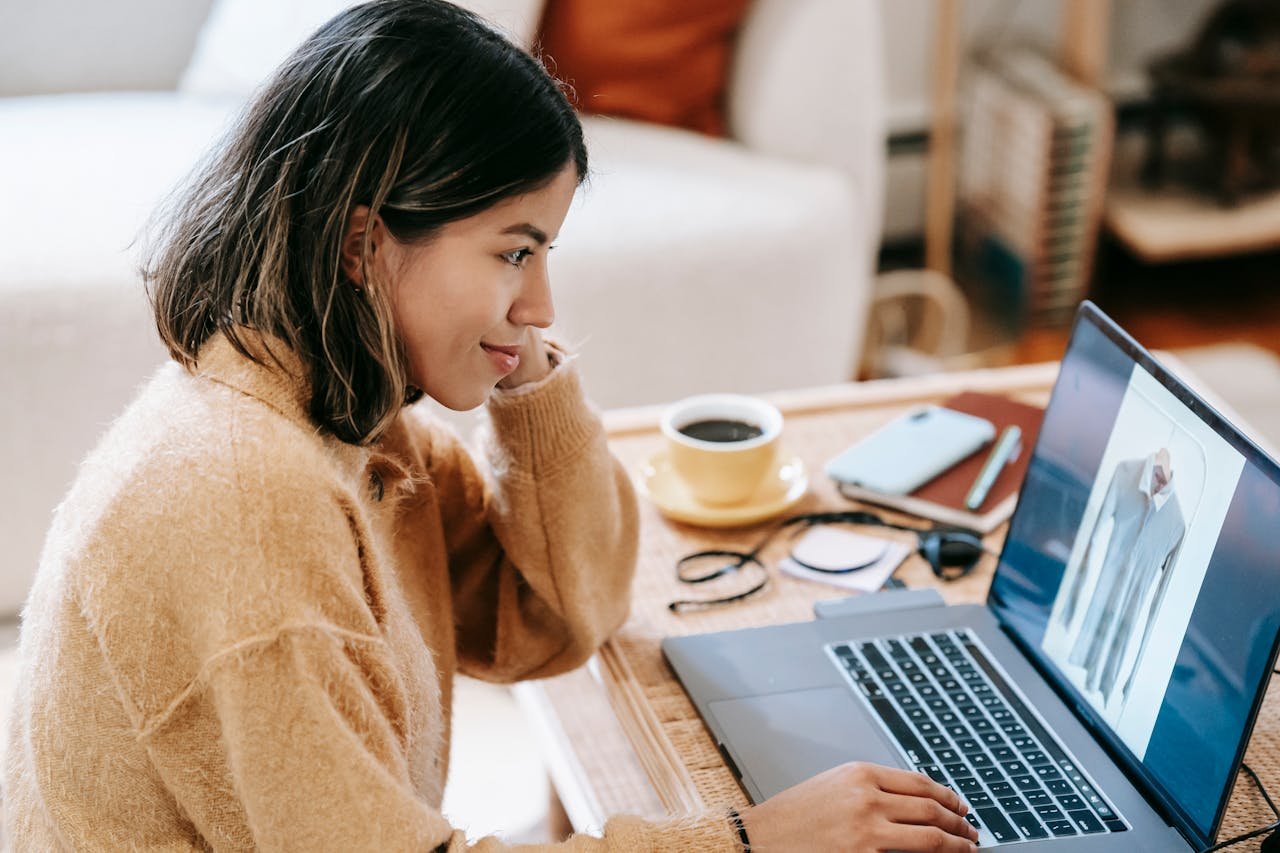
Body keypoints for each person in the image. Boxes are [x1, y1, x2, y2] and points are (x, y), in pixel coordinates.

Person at [2, 2, 979, 851]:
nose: (543, 300)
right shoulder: (240, 497)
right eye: (514, 250)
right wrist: (748, 840)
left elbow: (557, 617)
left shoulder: (348, 425)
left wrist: (528, 380)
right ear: (360, 242)